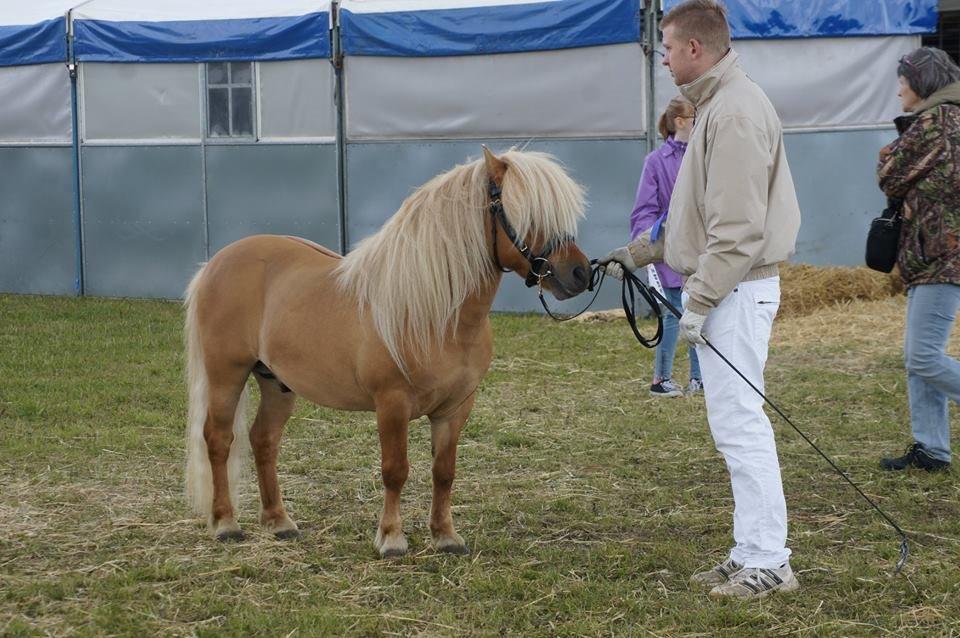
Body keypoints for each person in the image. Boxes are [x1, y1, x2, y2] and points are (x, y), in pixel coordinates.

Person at [599, 0, 801, 599]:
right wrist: (636, 255)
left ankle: (770, 561)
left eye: (665, 48)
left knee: (741, 426)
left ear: (694, 48)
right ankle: (749, 551)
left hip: (735, 290)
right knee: (732, 424)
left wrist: (700, 300)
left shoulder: (734, 112)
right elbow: (694, 216)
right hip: (727, 289)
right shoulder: (716, 106)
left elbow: (735, 229)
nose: (661, 59)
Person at [877, 47, 960, 473]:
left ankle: (933, 448)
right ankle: (932, 450)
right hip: (933, 257)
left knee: (924, 357)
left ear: (922, 84)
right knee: (918, 357)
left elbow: (889, 172)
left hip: (941, 257)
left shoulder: (936, 121)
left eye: (903, 82)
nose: (898, 92)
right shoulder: (950, 120)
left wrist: (890, 154)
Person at [631, 96, 703, 398]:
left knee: (699, 311)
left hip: (701, 248)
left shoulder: (701, 156)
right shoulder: (656, 162)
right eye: (694, 117)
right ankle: (661, 379)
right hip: (669, 249)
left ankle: (700, 379)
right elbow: (643, 210)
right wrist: (652, 242)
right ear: (680, 122)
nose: (700, 123)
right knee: (673, 312)